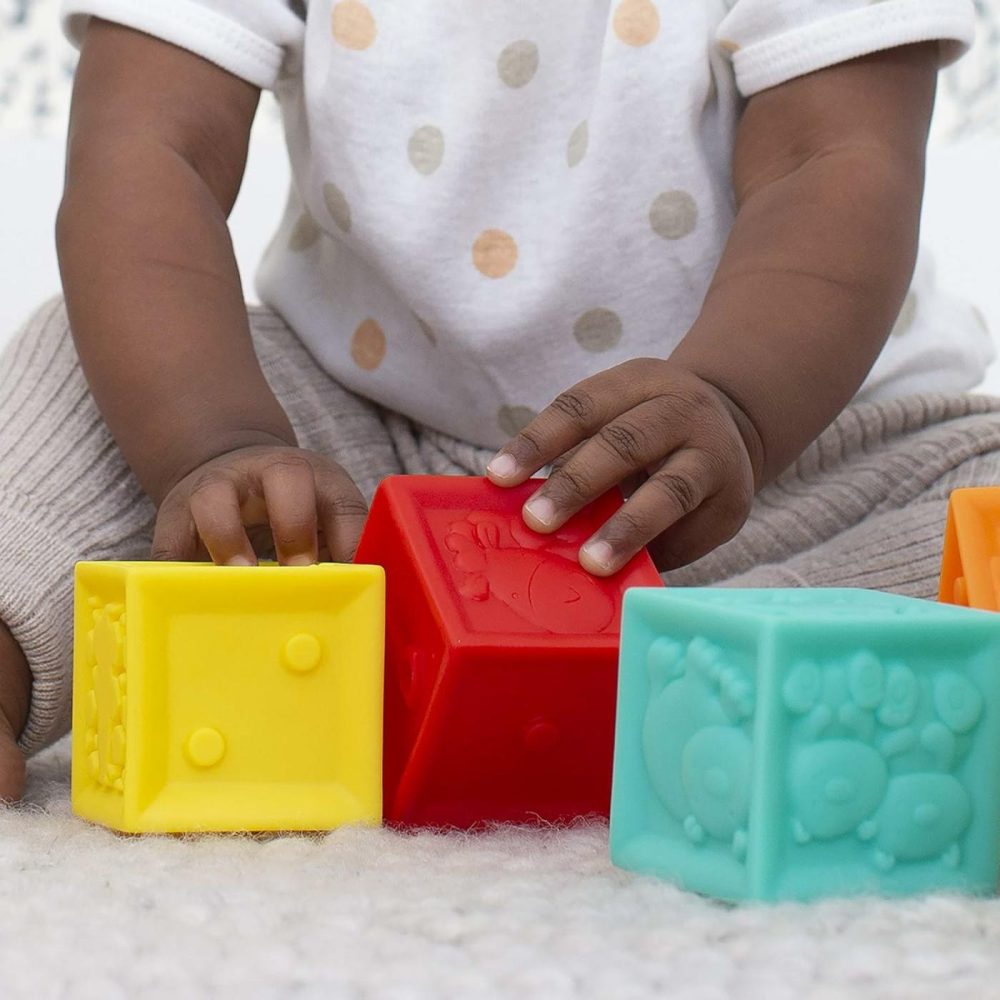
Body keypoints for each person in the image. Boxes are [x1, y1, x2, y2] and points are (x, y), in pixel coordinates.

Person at [0, 0, 994, 801]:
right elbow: (144, 152)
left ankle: (712, 668)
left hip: (760, 466)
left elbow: (834, 160)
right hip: (346, 461)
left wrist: (735, 404)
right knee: (84, 367)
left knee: (978, 507)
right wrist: (216, 442)